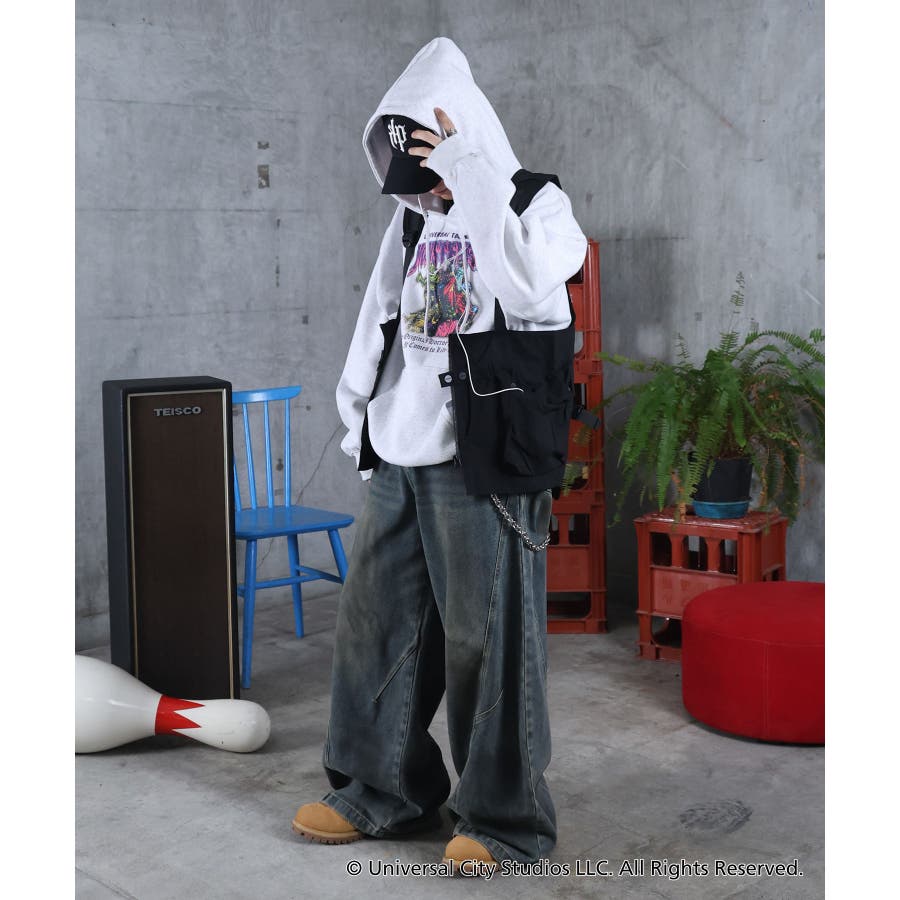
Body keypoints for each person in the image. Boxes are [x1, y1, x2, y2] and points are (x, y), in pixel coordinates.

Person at [292, 36, 587, 870]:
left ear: (467, 134)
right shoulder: (413, 217)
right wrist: (359, 421)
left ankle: (504, 820)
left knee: (486, 642)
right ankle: (380, 790)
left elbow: (529, 288)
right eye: (414, 162)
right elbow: (379, 315)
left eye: (433, 153)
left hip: (483, 458)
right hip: (400, 447)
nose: (426, 181)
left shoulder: (537, 205)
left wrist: (472, 175)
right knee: (375, 627)